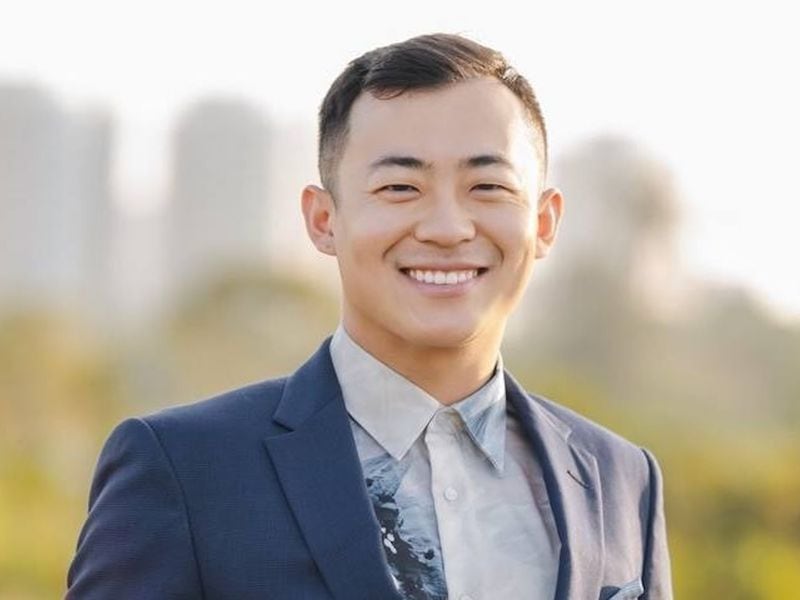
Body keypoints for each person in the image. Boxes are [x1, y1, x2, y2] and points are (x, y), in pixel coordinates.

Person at [67, 33, 672, 599]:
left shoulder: (622, 480)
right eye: (400, 188)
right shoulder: (185, 468)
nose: (447, 228)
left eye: (487, 187)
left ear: (543, 223)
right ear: (323, 220)